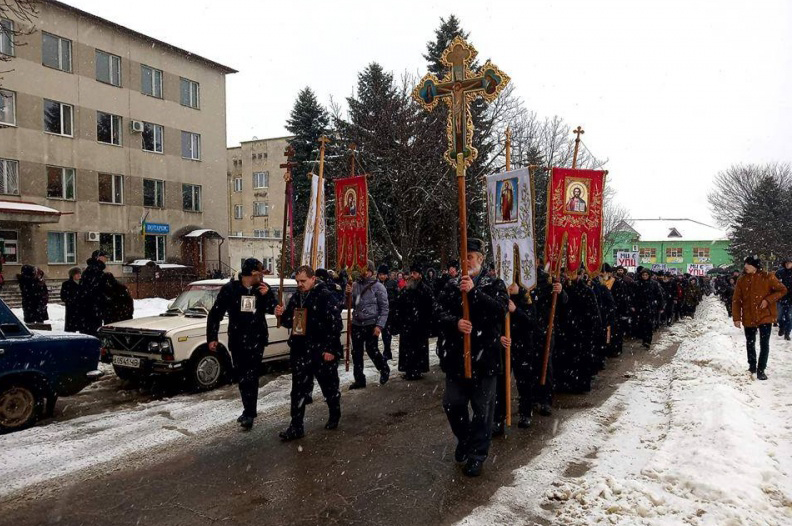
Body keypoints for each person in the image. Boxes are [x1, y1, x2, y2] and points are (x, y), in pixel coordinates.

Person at [435, 238, 508, 477]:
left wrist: (474, 293)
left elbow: (499, 311)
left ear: (481, 259)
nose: (467, 261)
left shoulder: (494, 284)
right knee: (452, 403)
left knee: (482, 410)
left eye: (471, 256)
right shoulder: (450, 285)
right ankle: (464, 439)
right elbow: (437, 313)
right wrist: (455, 322)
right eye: (464, 256)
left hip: (484, 358)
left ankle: (477, 454)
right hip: (457, 357)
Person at [206, 258, 278, 430]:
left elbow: (273, 308)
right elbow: (215, 313)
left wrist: (268, 295)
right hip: (238, 339)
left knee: (251, 375)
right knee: (241, 375)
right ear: (251, 273)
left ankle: (249, 412)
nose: (262, 275)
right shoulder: (230, 289)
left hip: (256, 339)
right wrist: (212, 337)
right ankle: (248, 408)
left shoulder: (262, 288)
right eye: (259, 272)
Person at [275, 265, 343, 441]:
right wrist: (281, 315)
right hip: (300, 350)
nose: (299, 284)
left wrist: (331, 349)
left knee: (329, 386)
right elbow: (290, 321)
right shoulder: (297, 297)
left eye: (303, 281)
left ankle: (334, 412)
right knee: (298, 390)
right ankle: (296, 426)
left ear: (313, 279)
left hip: (321, 350)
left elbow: (335, 325)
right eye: (297, 281)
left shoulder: (325, 296)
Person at [732, 256, 787, 380]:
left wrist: (768, 300)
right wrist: (736, 317)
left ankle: (761, 369)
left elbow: (782, 290)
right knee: (750, 343)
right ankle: (752, 366)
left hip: (765, 315)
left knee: (764, 343)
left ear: (755, 266)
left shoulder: (767, 277)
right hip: (748, 315)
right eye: (745, 264)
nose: (746, 266)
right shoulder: (742, 280)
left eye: (749, 264)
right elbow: (736, 300)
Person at [554, 268, 602, 392]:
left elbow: (594, 315)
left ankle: (579, 384)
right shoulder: (559, 290)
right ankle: (564, 384)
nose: (569, 276)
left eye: (573, 273)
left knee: (580, 360)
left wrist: (592, 331)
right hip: (564, 331)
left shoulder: (587, 291)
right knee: (564, 359)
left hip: (582, 332)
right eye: (567, 273)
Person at [347, 260, 390, 389]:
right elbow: (348, 304)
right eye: (362, 270)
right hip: (357, 323)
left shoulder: (378, 287)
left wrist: (379, 326)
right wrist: (347, 294)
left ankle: (383, 368)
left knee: (372, 350)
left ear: (372, 271)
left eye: (367, 270)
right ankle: (359, 379)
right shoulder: (354, 285)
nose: (365, 273)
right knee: (357, 353)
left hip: (371, 323)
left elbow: (384, 308)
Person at [393, 263, 434, 380]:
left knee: (418, 348)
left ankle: (417, 369)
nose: (412, 275)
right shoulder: (407, 288)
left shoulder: (425, 289)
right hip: (407, 323)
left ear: (420, 275)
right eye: (411, 273)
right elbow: (400, 303)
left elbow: (429, 307)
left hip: (419, 324)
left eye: (414, 273)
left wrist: (425, 322)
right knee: (407, 347)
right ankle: (408, 369)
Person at [80, 250, 111, 336]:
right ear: (98, 258)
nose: (106, 260)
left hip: (91, 307)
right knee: (93, 331)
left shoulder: (92, 270)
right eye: (105, 257)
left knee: (90, 330)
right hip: (93, 307)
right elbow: (96, 290)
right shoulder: (95, 271)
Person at [634, 268, 664, 348]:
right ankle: (644, 339)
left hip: (651, 307)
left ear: (649, 275)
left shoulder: (654, 284)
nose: (644, 276)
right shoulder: (637, 284)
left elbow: (659, 295)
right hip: (640, 307)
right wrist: (633, 306)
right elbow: (634, 296)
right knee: (641, 324)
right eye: (643, 275)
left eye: (646, 275)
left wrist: (660, 306)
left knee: (649, 324)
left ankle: (648, 340)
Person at [377, 265, 398, 361]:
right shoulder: (375, 284)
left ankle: (387, 351)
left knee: (386, 334)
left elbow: (397, 296)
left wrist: (393, 307)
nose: (382, 276)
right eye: (380, 274)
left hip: (389, 312)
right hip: (378, 312)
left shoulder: (392, 283)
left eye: (384, 274)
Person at [60, 266, 83, 332]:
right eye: (77, 273)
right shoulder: (67, 284)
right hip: (72, 309)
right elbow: (63, 296)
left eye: (79, 273)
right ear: (72, 275)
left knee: (82, 328)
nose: (79, 275)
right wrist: (72, 300)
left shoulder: (83, 283)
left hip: (82, 309)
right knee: (71, 328)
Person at [775, 259, 792, 340]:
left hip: (790, 299)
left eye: (789, 263)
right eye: (787, 263)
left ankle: (787, 333)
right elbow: (774, 284)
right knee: (779, 317)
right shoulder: (780, 272)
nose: (788, 265)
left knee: (789, 317)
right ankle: (781, 327)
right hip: (781, 298)